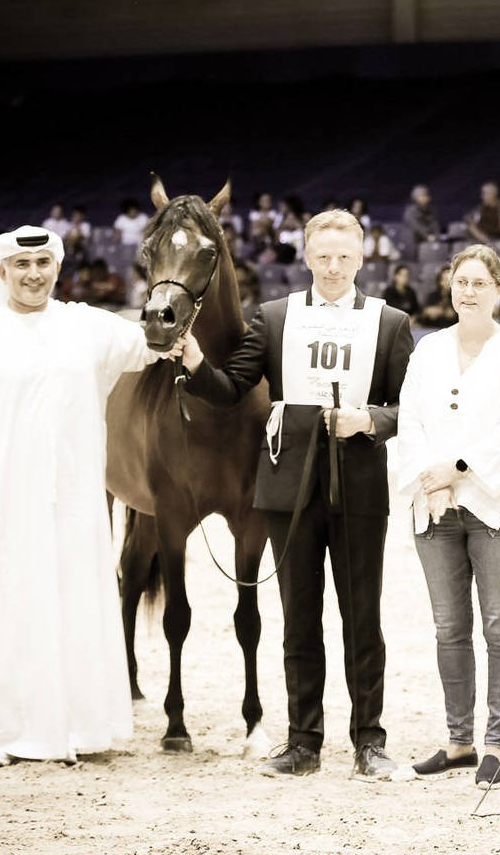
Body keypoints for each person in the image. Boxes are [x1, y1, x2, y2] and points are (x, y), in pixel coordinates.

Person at [177, 209, 414, 781]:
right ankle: (302, 742)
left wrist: (370, 422)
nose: (333, 268)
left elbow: (413, 407)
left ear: (362, 258)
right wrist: (193, 365)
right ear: (307, 257)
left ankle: (369, 741)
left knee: (363, 618)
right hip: (288, 485)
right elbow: (232, 388)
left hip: (357, 485)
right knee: (298, 619)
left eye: (345, 257)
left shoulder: (389, 322)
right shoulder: (275, 317)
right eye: (323, 256)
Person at [0, 226, 166, 766]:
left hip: (77, 506)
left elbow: (155, 340)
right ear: (2, 272)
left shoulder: (84, 326)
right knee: (5, 609)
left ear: (57, 268)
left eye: (43, 261)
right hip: (1, 506)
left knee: (75, 607)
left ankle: (82, 728)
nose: (34, 273)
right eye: (23, 264)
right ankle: (1, 734)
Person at [396, 245, 500, 788]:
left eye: (480, 282)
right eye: (461, 283)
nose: (469, 292)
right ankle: (459, 741)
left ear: (499, 289)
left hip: (495, 506)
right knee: (449, 629)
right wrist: (430, 478)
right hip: (434, 508)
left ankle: (496, 746)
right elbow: (410, 420)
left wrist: (458, 468)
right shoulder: (428, 350)